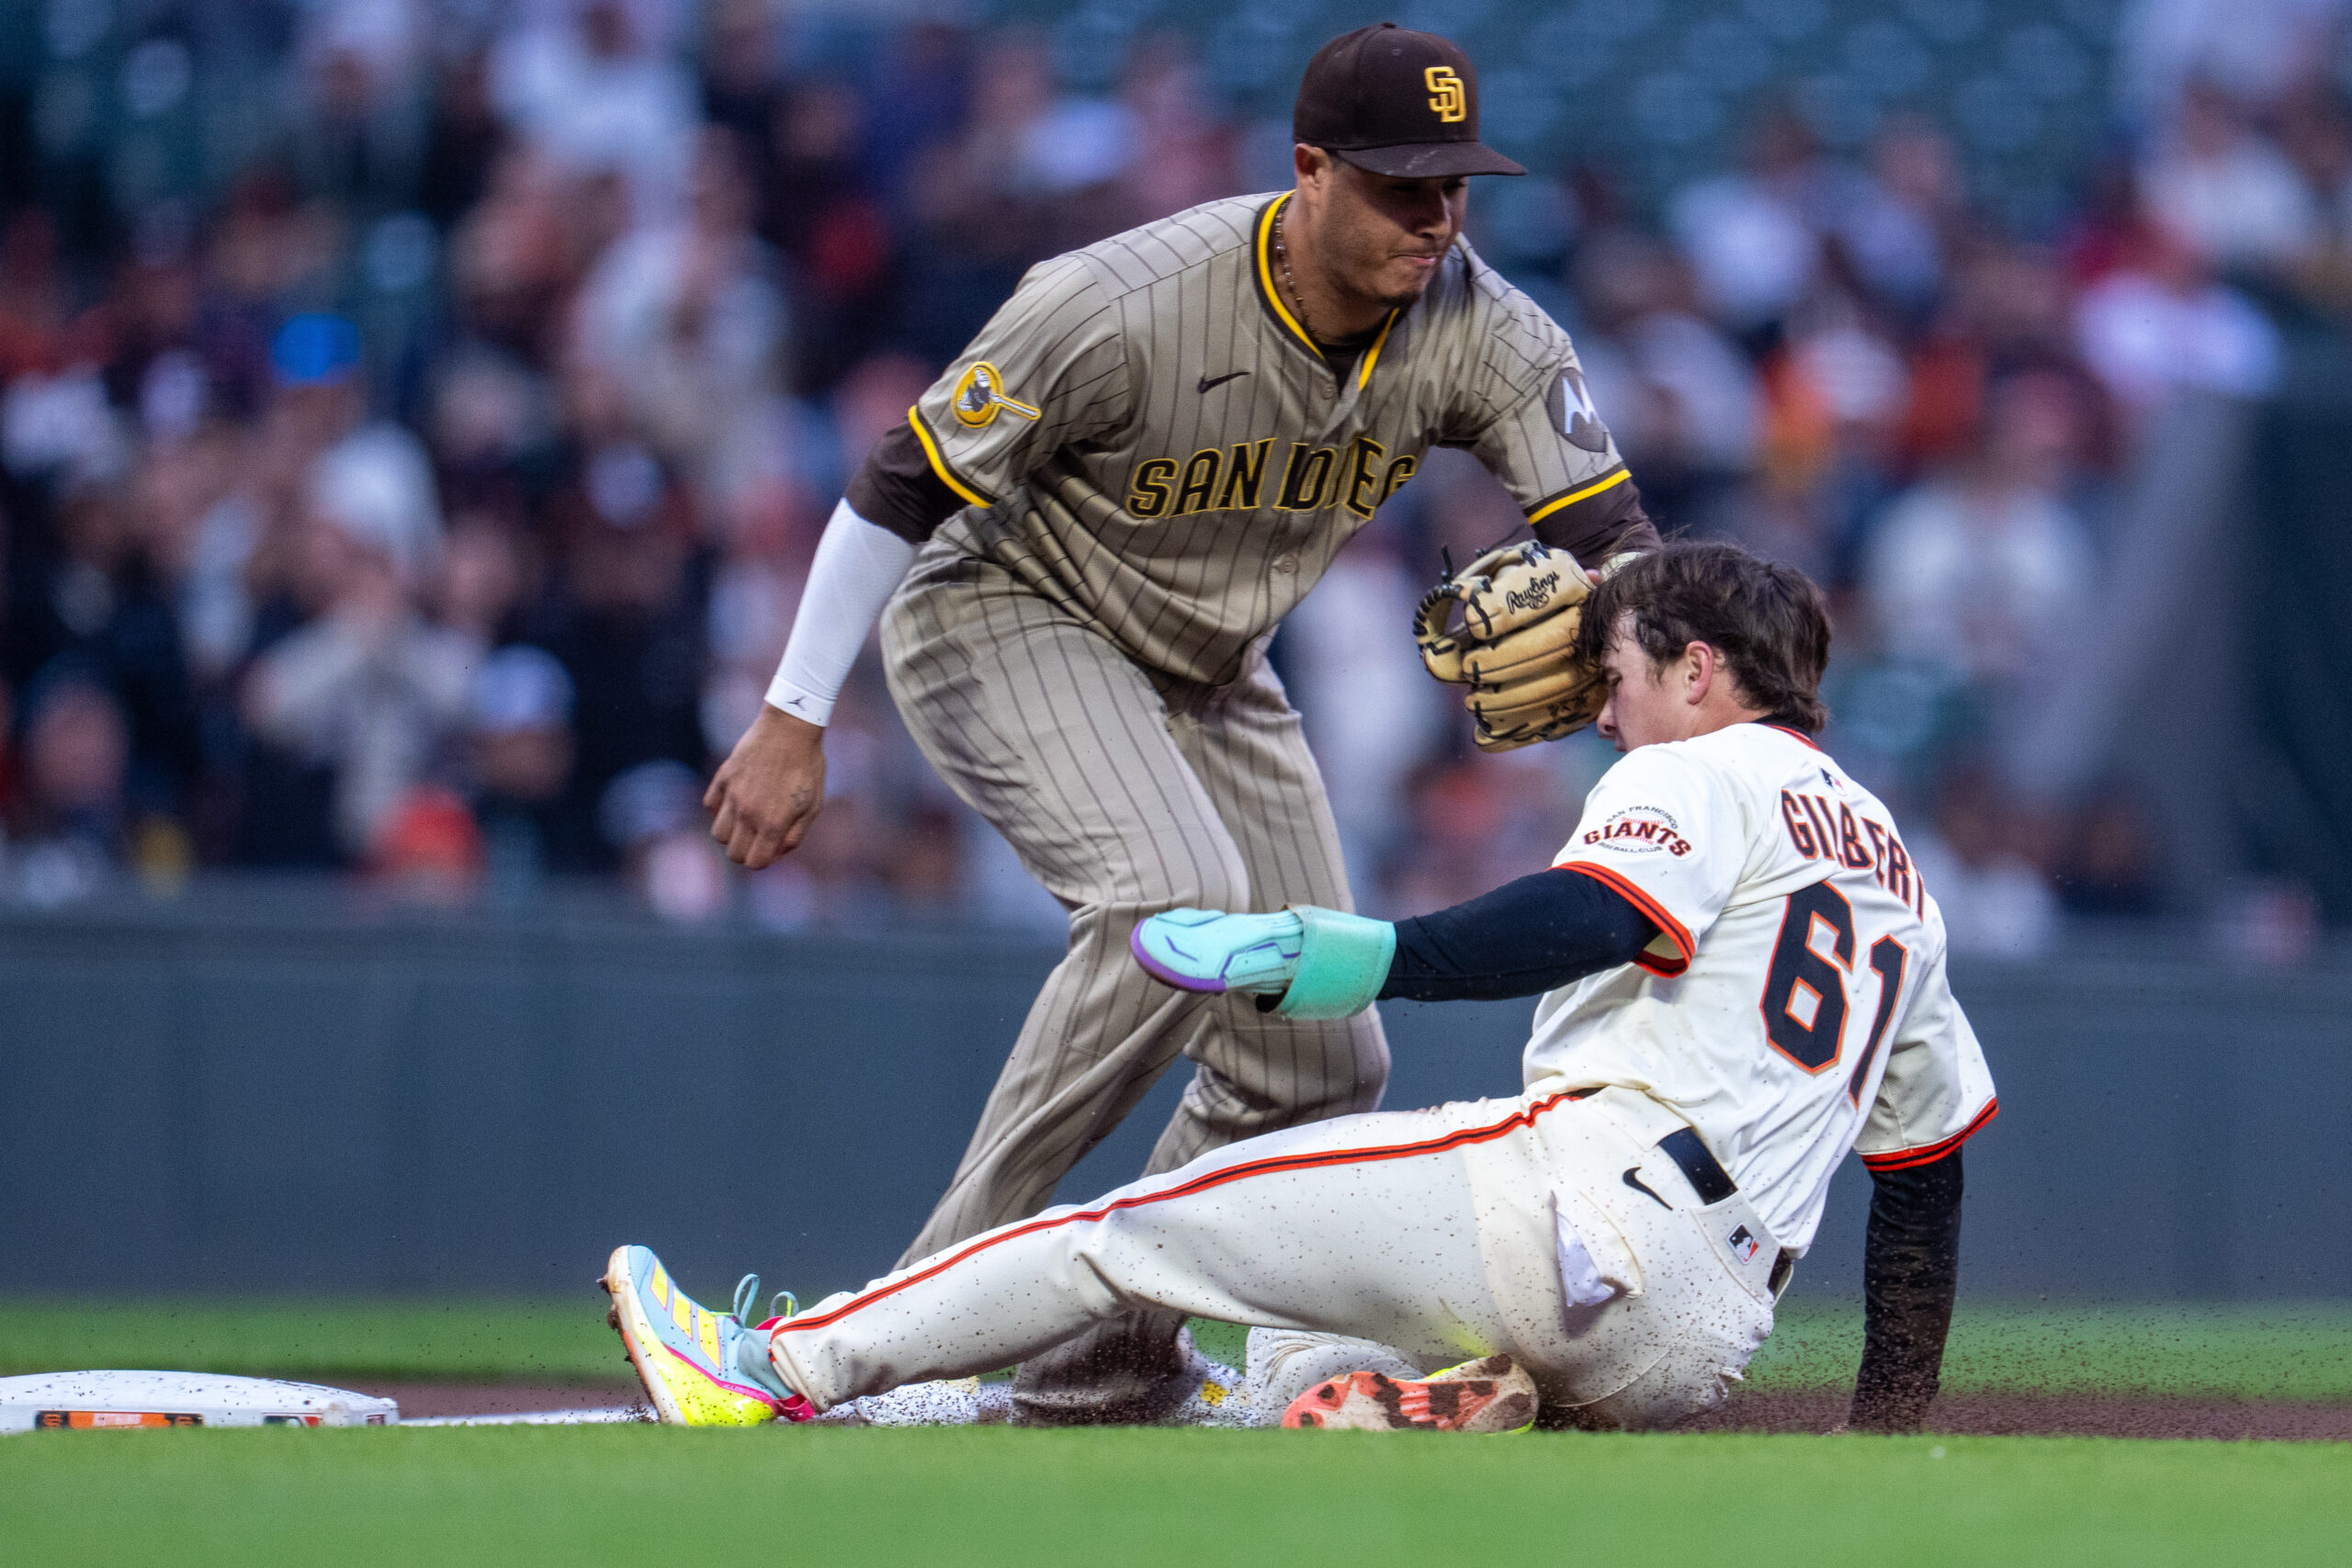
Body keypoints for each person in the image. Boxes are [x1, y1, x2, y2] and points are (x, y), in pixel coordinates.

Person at [697, 24, 1661, 1424]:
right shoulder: (1121, 297)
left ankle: (1100, 1356)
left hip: (1212, 662)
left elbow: (1618, 539)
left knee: (1324, 1048)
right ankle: (891, 1328)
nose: (1436, 216)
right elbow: (899, 483)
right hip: (1008, 606)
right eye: (1402, 185)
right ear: (1309, 172)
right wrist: (794, 718)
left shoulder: (1488, 330)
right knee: (1172, 902)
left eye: (1455, 185)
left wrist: (1706, 696)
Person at [606, 542, 1996, 1434]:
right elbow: (1922, 1182)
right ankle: (1434, 1406)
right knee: (1293, 1320)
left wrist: (1372, 956)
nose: (1600, 704)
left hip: (1584, 1208)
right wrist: (1889, 1434)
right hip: (1702, 1336)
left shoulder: (1696, 766)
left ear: (1702, 672)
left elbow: (1583, 917)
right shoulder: (1904, 884)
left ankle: (769, 1368)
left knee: (1124, 1232)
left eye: (1616, 671)